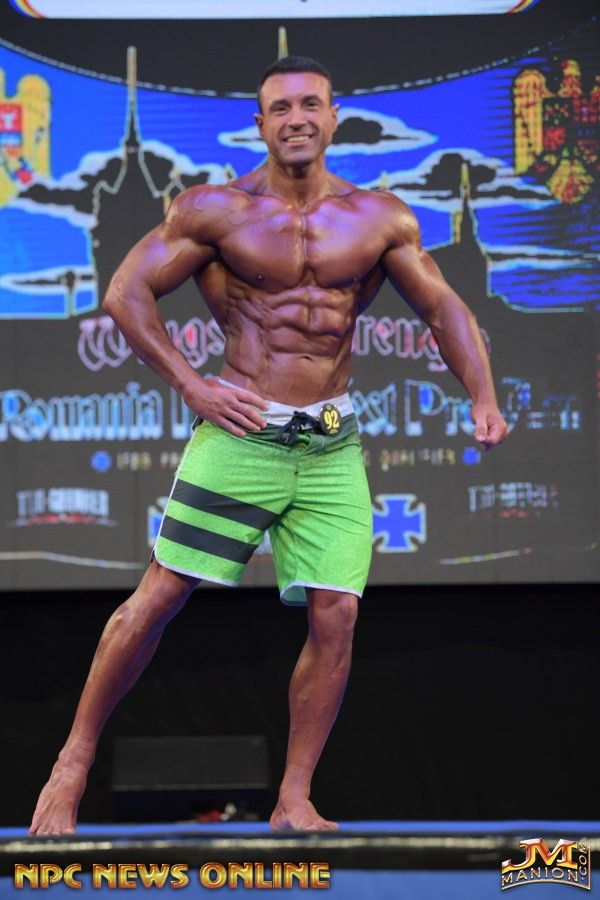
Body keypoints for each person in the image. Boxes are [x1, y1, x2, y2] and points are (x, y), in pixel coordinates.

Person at [29, 55, 508, 836]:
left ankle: (293, 800)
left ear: (333, 117)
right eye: (280, 107)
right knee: (158, 598)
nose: (296, 118)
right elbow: (124, 291)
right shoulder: (218, 211)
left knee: (337, 616)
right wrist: (192, 384)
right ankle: (71, 765)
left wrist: (482, 393)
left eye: (310, 104)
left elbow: (444, 308)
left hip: (330, 445)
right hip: (242, 434)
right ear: (260, 124)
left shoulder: (378, 218)